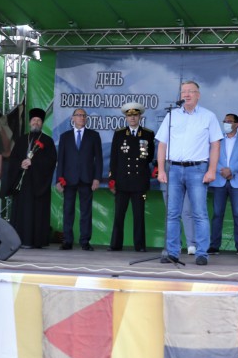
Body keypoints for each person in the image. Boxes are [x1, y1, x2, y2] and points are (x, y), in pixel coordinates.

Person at [156, 80, 223, 266]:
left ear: (198, 95)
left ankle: (202, 253)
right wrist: (161, 169)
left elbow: (215, 145)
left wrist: (212, 170)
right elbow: (162, 144)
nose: (186, 94)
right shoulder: (172, 116)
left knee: (199, 213)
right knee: (172, 213)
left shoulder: (208, 116)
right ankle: (172, 252)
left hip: (197, 169)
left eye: (190, 91)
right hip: (173, 169)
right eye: (183, 91)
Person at [5, 108, 57, 248]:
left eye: (39, 120)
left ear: (42, 123)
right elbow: (13, 159)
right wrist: (20, 164)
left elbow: (51, 161)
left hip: (38, 184)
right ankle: (20, 240)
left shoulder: (48, 141)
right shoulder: (21, 140)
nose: (36, 122)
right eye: (34, 120)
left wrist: (34, 163)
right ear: (29, 123)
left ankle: (36, 241)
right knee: (22, 211)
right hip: (22, 185)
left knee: (37, 212)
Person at [108, 102, 155, 252]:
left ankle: (140, 246)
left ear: (140, 117)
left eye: (135, 115)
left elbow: (150, 157)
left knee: (139, 215)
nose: (132, 118)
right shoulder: (119, 134)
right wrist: (112, 180)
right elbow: (114, 159)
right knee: (119, 215)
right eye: (129, 116)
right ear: (126, 118)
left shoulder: (148, 134)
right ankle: (115, 245)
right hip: (122, 181)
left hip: (139, 182)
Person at [55, 108, 103, 251]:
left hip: (87, 178)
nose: (82, 118)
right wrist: (58, 179)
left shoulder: (94, 136)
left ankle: (85, 241)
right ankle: (67, 241)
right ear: (73, 118)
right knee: (68, 210)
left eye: (84, 115)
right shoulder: (65, 136)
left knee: (86, 212)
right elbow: (61, 160)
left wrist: (97, 178)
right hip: (68, 179)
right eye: (79, 115)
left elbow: (99, 159)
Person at [209, 114, 238, 255]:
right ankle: (214, 246)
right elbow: (211, 157)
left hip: (237, 181)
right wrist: (222, 171)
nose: (226, 123)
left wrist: (231, 170)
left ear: (237, 124)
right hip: (219, 180)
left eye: (229, 121)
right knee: (217, 214)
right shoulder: (217, 140)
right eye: (225, 121)